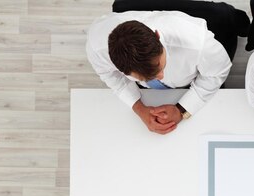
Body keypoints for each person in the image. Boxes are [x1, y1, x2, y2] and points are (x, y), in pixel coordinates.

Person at [86, 11, 232, 135]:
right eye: (149, 77)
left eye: (160, 67)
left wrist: (182, 110)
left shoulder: (196, 42)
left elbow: (218, 71)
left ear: (157, 36)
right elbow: (110, 76)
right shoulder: (97, 48)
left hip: (192, 81)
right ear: (118, 68)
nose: (161, 76)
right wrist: (139, 108)